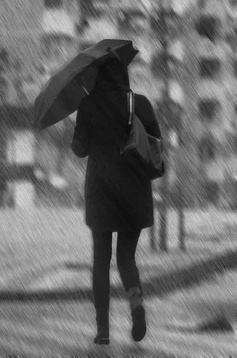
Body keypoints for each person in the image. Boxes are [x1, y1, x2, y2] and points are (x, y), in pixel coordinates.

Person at [71, 56, 162, 345]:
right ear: (124, 74)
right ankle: (136, 305)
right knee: (126, 257)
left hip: (101, 192)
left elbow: (80, 149)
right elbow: (156, 149)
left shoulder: (88, 104)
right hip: (133, 192)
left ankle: (102, 329)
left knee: (101, 259)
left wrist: (84, 133)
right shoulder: (141, 104)